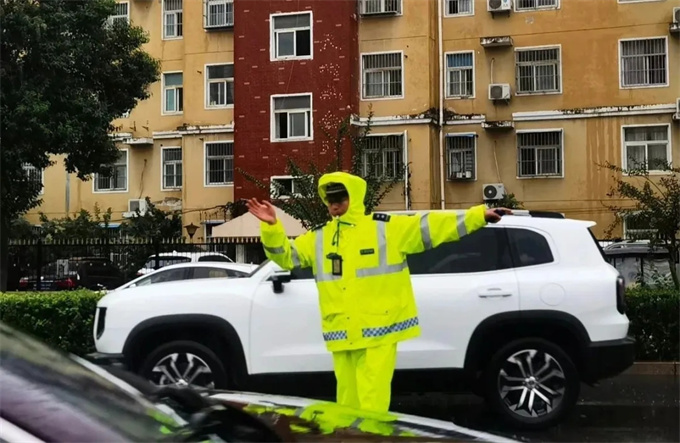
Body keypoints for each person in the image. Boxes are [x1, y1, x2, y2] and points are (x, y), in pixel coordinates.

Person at [246, 171, 511, 414]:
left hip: (379, 330)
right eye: (329, 199)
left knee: (372, 401)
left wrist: (479, 216)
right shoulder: (320, 237)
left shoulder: (385, 228)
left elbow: (433, 226)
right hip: (342, 332)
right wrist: (271, 227)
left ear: (355, 197)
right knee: (347, 400)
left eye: (340, 197)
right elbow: (286, 258)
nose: (334, 204)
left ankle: (370, 438)